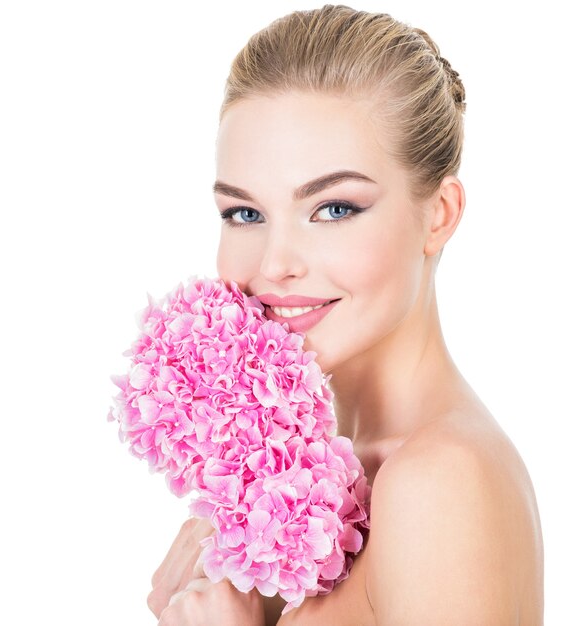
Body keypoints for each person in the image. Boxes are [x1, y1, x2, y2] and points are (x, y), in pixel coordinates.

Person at [147, 5, 544, 624]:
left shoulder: (438, 482)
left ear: (438, 213)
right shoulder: (313, 484)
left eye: (334, 208)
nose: (275, 264)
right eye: (245, 214)